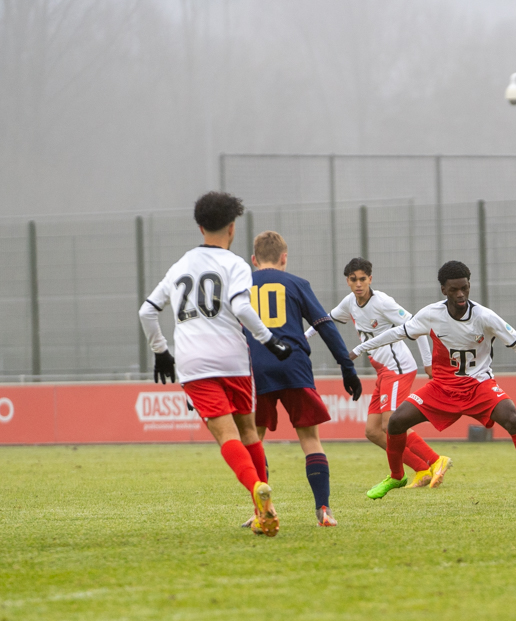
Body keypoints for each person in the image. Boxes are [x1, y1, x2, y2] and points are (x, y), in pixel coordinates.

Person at [138, 192, 294, 537]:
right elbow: (241, 308)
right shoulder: (236, 264)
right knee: (249, 431)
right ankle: (262, 509)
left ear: (200, 226)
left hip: (195, 362)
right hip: (234, 360)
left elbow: (147, 311)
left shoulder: (179, 265)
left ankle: (256, 491)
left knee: (225, 436)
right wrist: (269, 340)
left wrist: (161, 350)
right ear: (233, 228)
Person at [349, 261, 516, 504]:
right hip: (441, 387)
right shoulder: (431, 314)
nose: (460, 294)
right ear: (443, 290)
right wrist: (358, 349)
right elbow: (398, 332)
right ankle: (397, 476)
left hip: (478, 386)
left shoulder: (485, 316)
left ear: (469, 286)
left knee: (512, 418)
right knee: (396, 422)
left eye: (464, 288)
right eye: (454, 290)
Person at [240, 232, 362, 529]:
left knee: (253, 440)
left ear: (253, 260)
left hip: (255, 369)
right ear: (284, 257)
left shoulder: (239, 287)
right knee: (310, 439)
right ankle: (324, 510)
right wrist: (346, 366)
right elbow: (324, 326)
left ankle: (261, 511)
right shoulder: (297, 284)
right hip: (293, 365)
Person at [315, 257, 452, 499]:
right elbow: (323, 320)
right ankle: (421, 469)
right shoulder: (350, 302)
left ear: (370, 279)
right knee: (373, 431)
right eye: (353, 279)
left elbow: (417, 327)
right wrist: (298, 337)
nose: (358, 284)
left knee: (391, 424)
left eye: (363, 279)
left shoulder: (383, 302)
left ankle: (435, 459)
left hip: (398, 368)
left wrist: (428, 363)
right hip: (383, 371)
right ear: (347, 281)